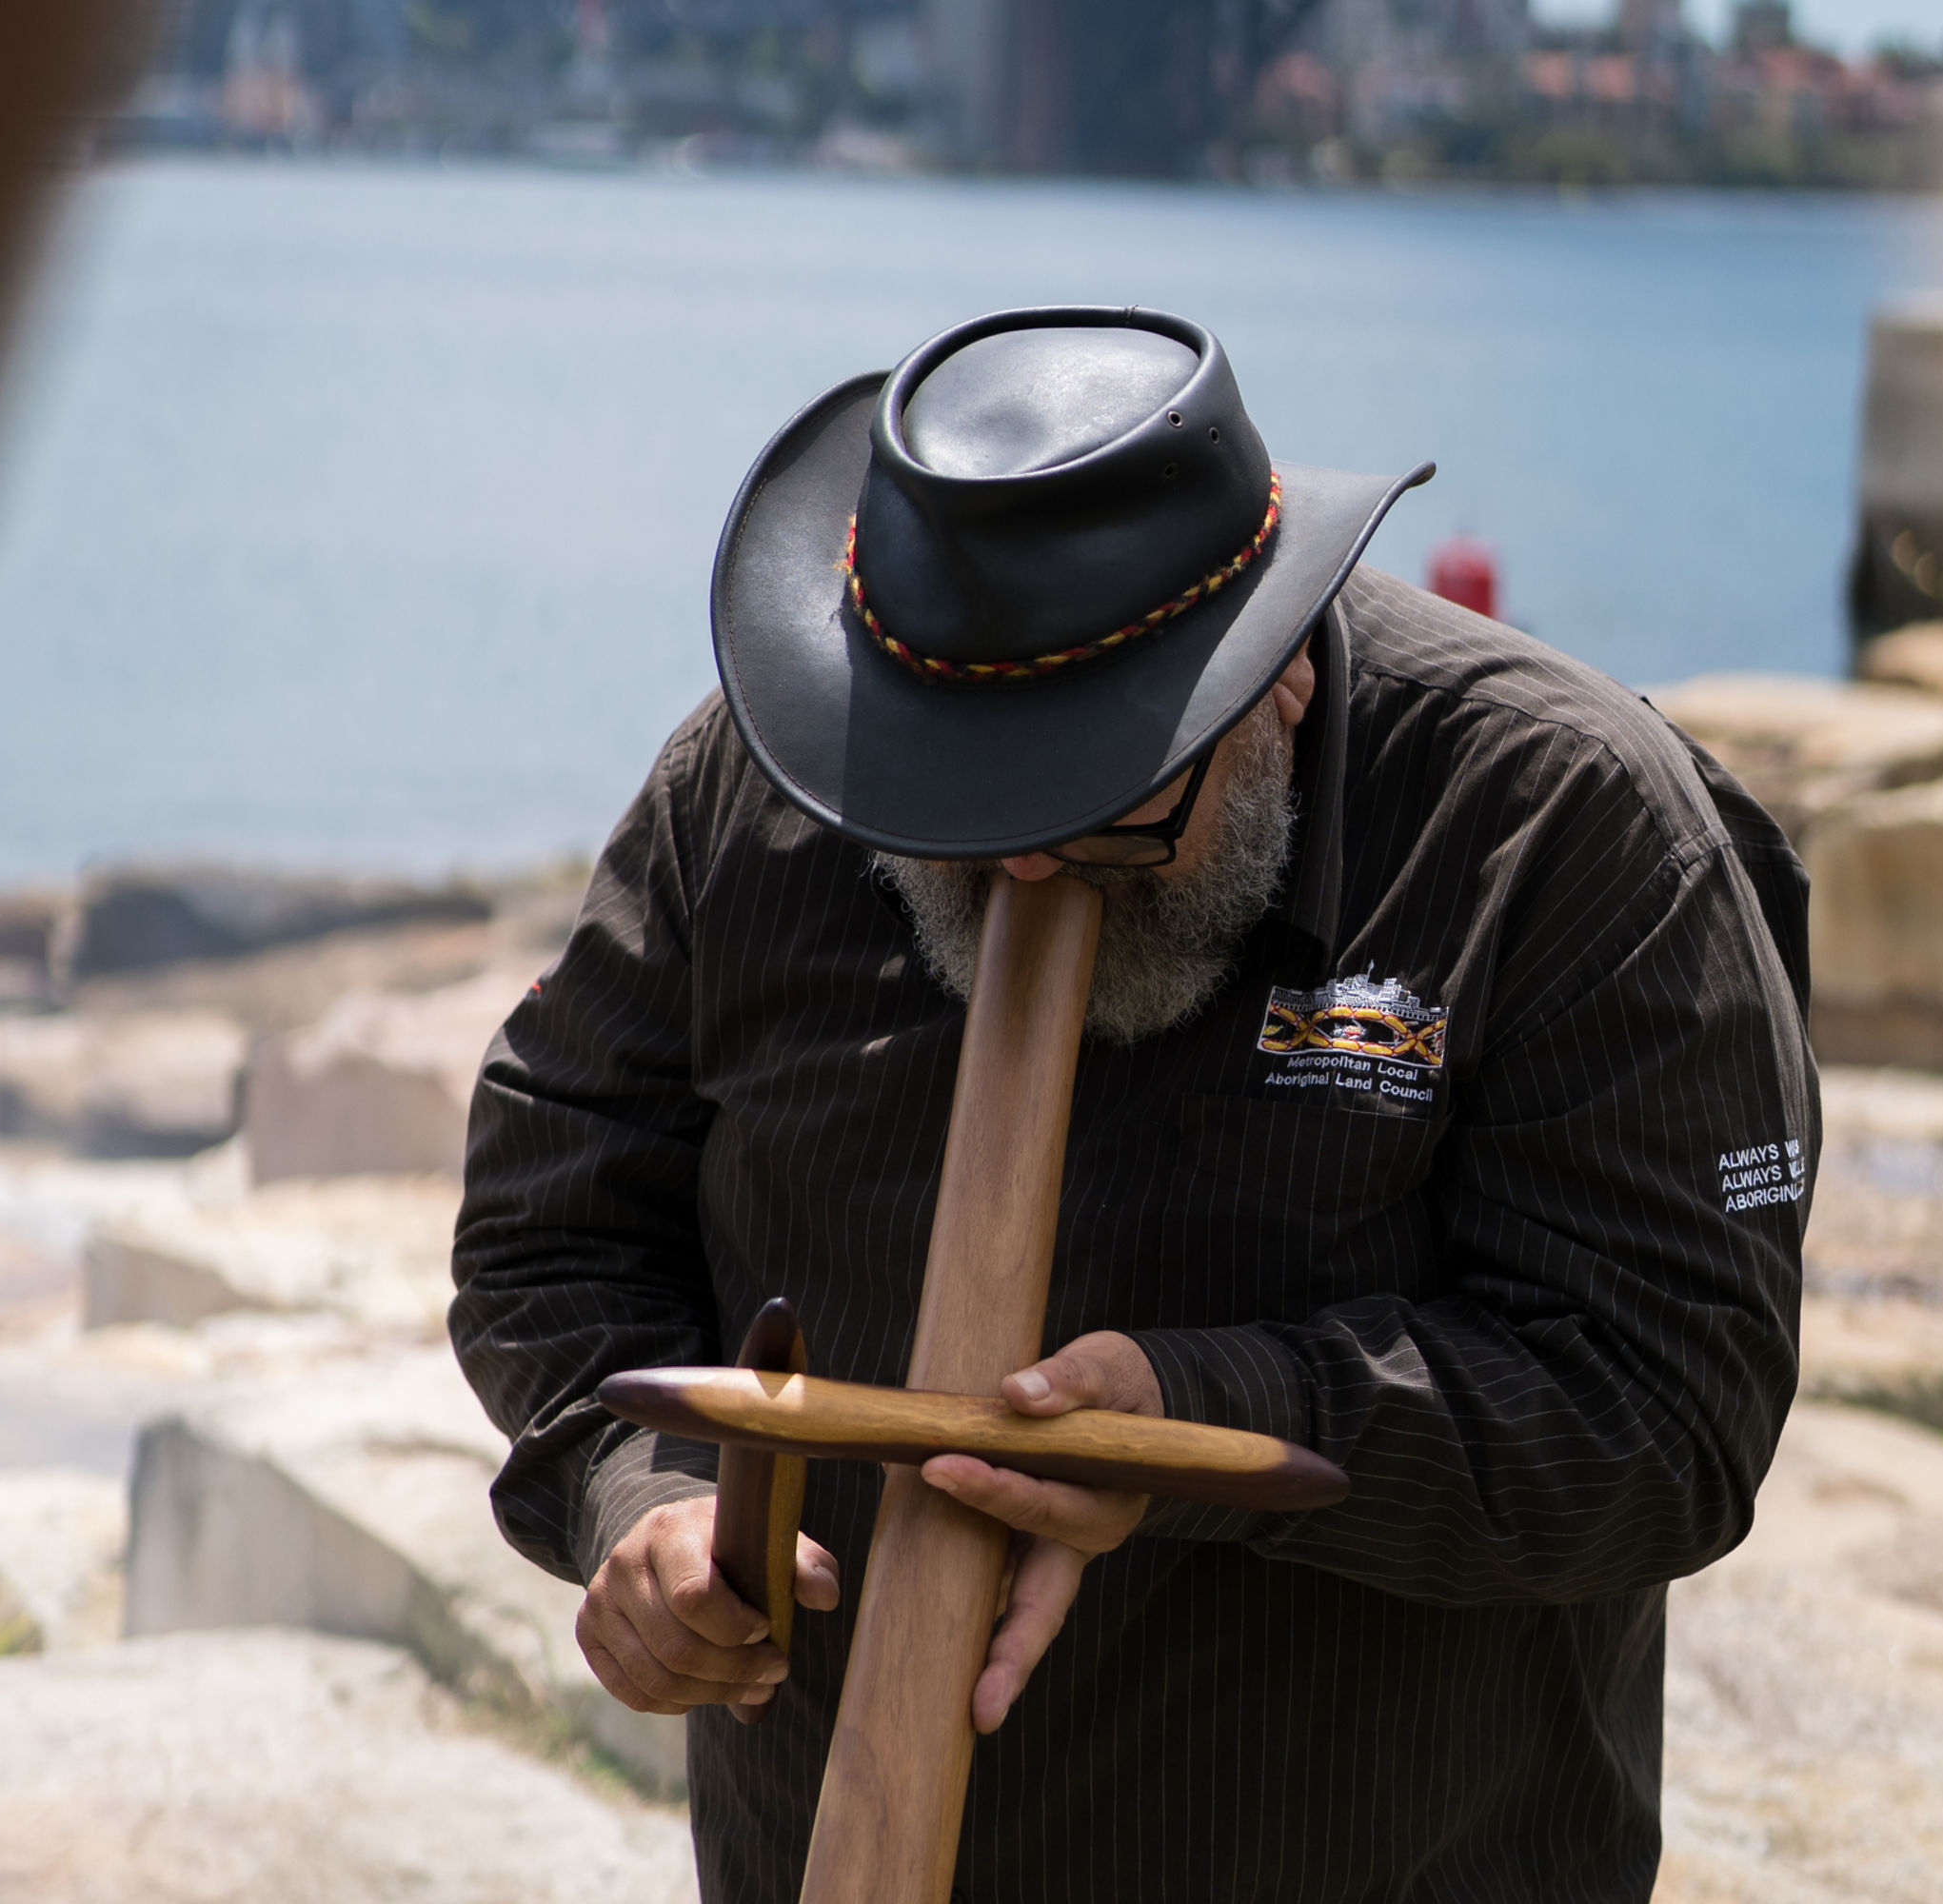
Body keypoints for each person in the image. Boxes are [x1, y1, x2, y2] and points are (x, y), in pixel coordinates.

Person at [453, 305, 1815, 1902]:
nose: (1027, 869)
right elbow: (551, 1229)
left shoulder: (1564, 829)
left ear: (1280, 674)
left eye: (1111, 810)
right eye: (961, 816)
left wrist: (1213, 1418)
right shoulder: (780, 782)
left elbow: (1670, 1413)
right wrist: (651, 1494)